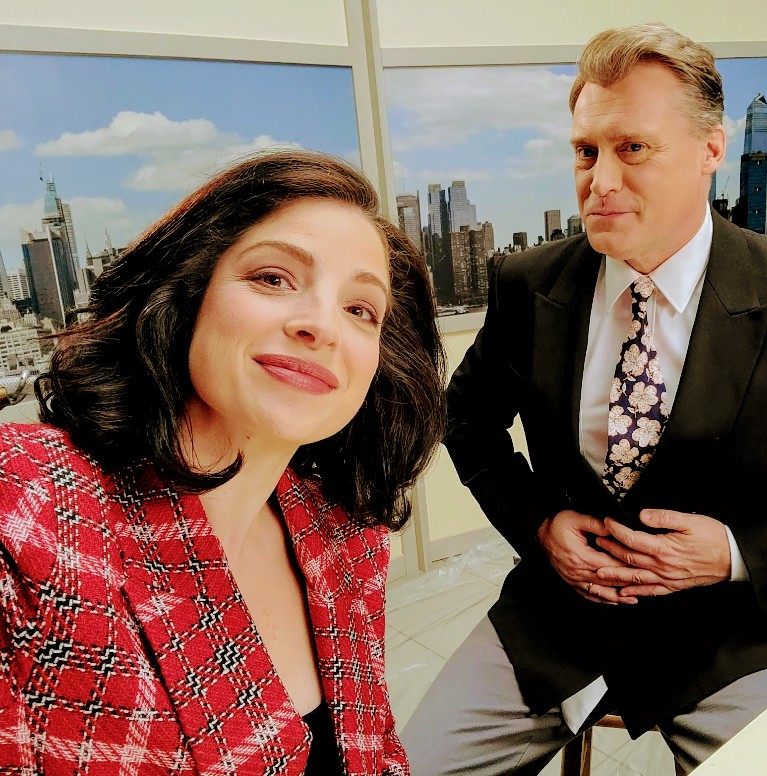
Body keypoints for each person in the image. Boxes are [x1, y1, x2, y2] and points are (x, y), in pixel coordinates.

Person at [401, 23, 767, 775]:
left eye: (633, 148)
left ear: (711, 150)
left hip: (731, 635)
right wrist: (540, 524)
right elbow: (465, 417)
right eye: (585, 151)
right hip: (557, 621)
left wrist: (735, 553)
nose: (600, 179)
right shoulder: (529, 283)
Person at [0, 150, 446, 774]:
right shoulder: (29, 510)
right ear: (187, 292)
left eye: (360, 310)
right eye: (273, 278)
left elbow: (375, 752)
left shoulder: (345, 539)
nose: (321, 326)